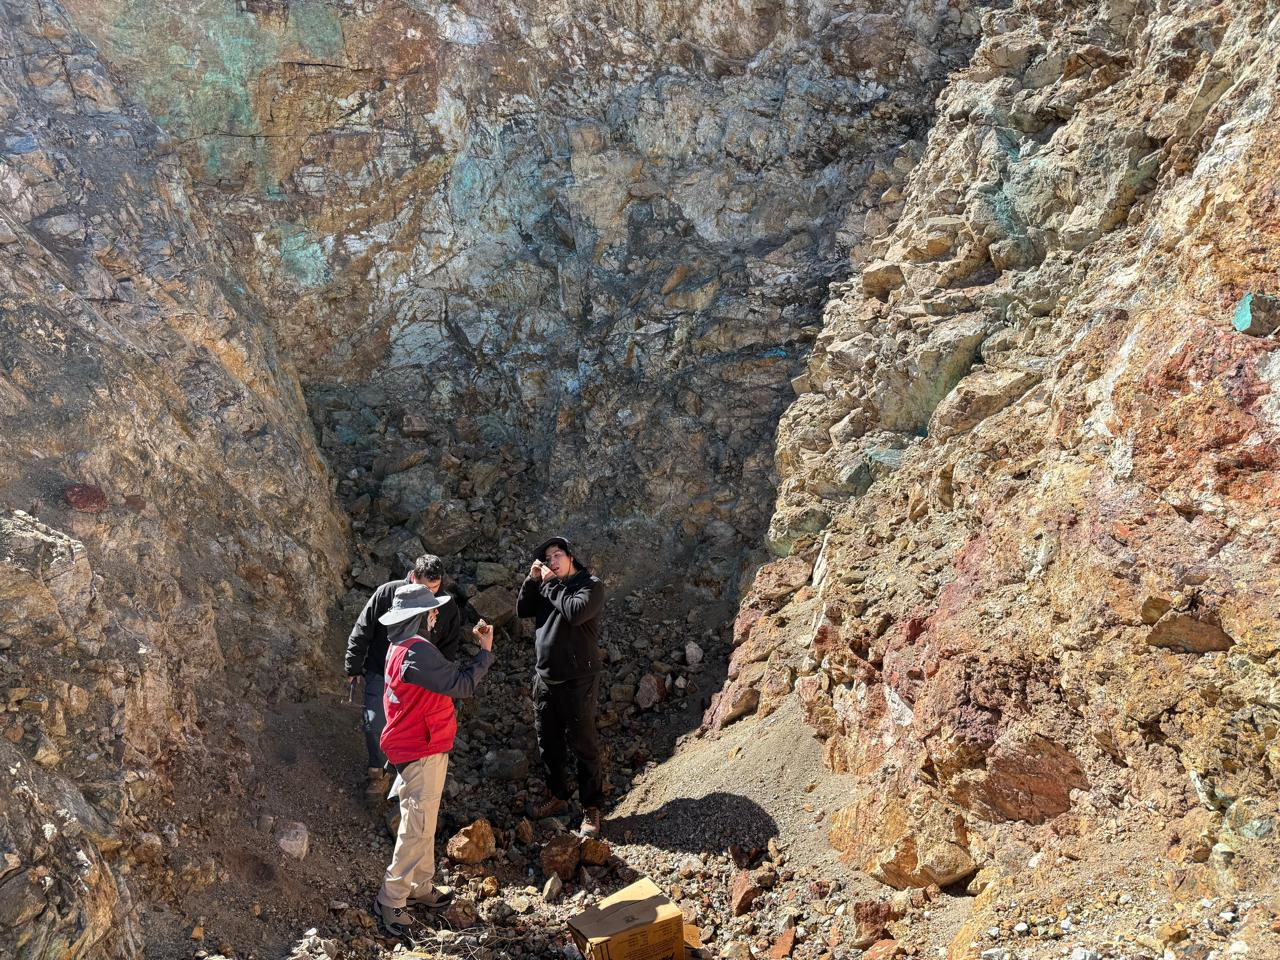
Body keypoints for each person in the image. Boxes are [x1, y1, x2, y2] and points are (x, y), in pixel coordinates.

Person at [373, 583, 495, 937]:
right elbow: (462, 685)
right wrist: (485, 652)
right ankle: (392, 899)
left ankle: (420, 886)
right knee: (417, 826)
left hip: (416, 744)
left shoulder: (400, 646)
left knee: (423, 820)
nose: (436, 614)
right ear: (417, 617)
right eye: (431, 610)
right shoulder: (417, 651)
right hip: (421, 747)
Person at [344, 554, 463, 797]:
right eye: (425, 587)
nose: (430, 594)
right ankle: (377, 771)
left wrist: (442, 681)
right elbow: (363, 629)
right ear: (413, 576)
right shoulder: (388, 593)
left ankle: (402, 773)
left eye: (435, 588)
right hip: (382, 671)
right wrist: (353, 666)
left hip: (421, 681)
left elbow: (448, 648)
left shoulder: (446, 607)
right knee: (374, 723)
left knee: (411, 730)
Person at [516, 536, 606, 838]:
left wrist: (550, 583)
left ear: (571, 557)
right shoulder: (546, 585)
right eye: (547, 558)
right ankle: (558, 794)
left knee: (583, 743)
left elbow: (575, 613)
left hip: (578, 680)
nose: (552, 562)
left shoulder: (589, 585)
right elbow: (523, 609)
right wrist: (532, 580)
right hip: (545, 679)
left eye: (557, 555)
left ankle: (591, 806)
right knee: (549, 742)